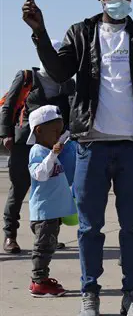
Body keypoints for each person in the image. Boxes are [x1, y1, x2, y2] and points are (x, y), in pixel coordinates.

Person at [23, 0, 133, 316]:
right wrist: (40, 32)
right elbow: (59, 72)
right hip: (91, 145)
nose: (120, 1)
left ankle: (132, 294)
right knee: (90, 228)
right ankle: (91, 293)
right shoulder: (81, 33)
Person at [1, 40, 74, 254]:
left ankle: (47, 236)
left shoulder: (68, 83)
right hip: (25, 143)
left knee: (53, 190)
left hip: (56, 147)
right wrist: (6, 133)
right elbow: (8, 106)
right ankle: (10, 236)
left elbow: (75, 110)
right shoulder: (27, 77)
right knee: (20, 188)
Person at [26, 105, 77, 298]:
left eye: (60, 130)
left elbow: (67, 137)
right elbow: (39, 174)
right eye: (55, 131)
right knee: (43, 247)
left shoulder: (50, 149)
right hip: (44, 212)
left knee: (48, 246)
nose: (58, 135)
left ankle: (42, 279)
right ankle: (39, 281)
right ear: (39, 130)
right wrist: (53, 154)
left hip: (53, 212)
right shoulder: (38, 151)